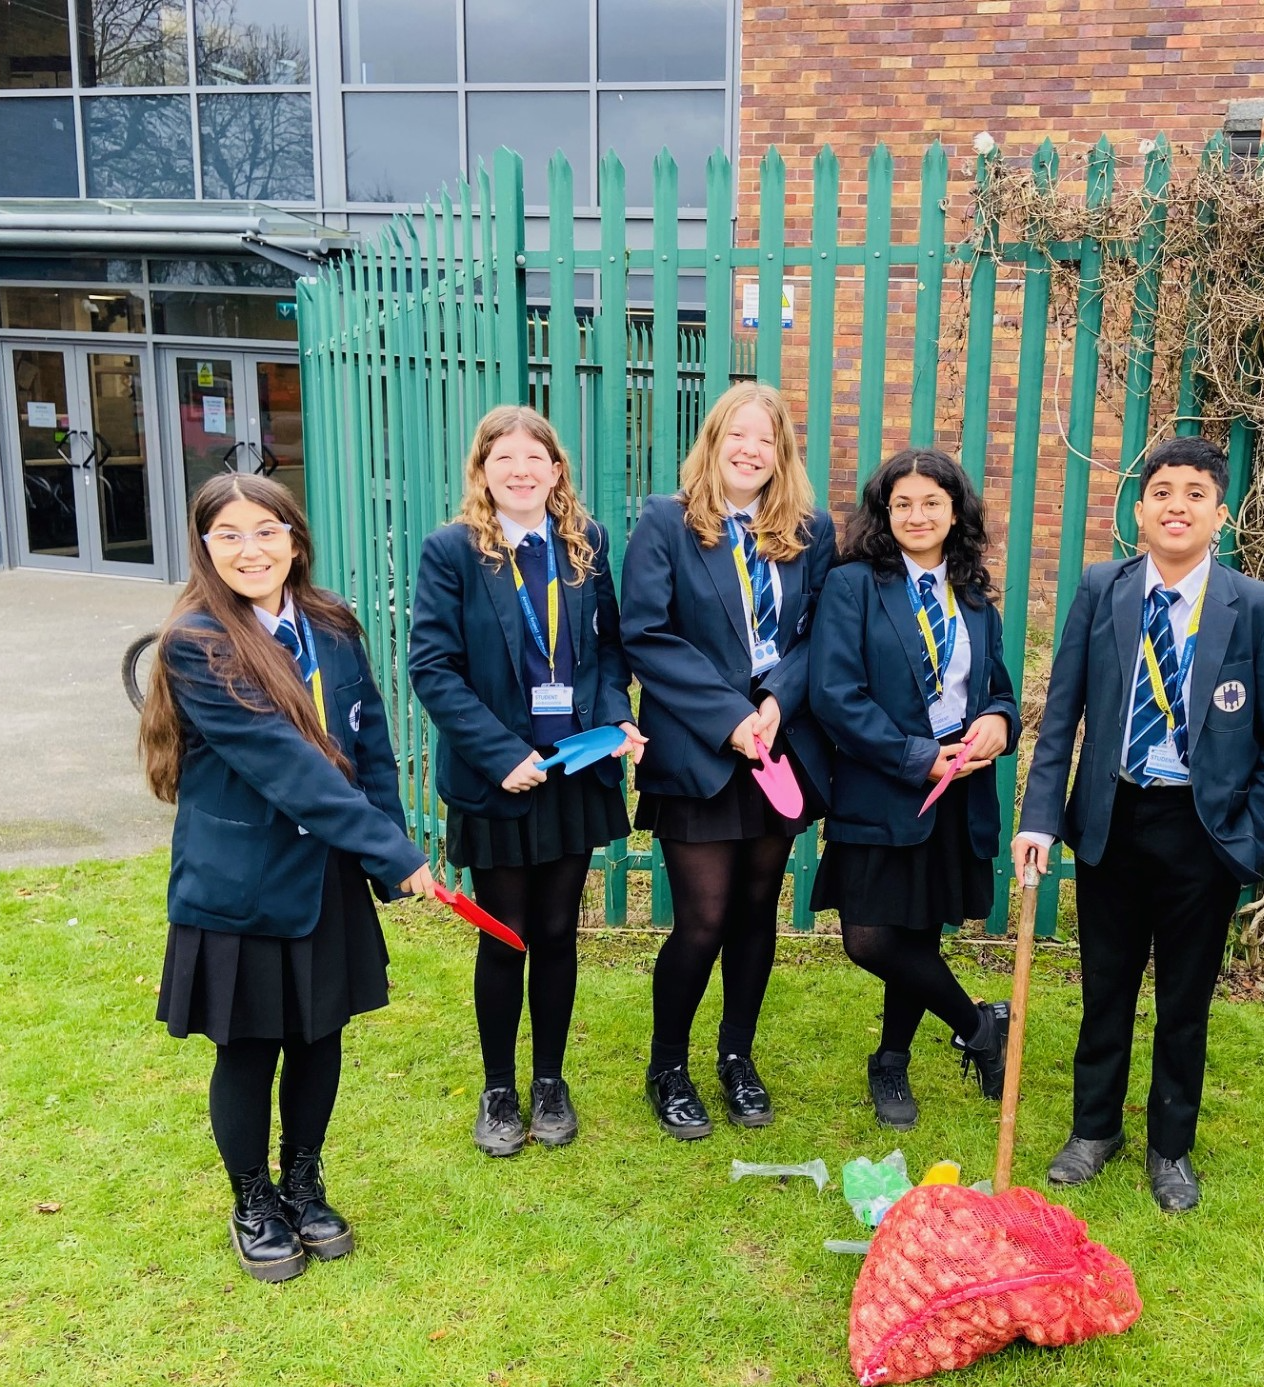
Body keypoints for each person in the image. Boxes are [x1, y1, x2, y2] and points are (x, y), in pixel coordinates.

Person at [141, 473, 434, 1284]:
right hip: (240, 882)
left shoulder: (332, 624)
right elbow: (288, 769)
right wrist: (395, 854)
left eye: (266, 531)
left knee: (319, 1035)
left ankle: (303, 1185)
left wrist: (386, 852)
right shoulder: (197, 643)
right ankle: (252, 1202)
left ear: (294, 539)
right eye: (228, 535)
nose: (250, 550)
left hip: (325, 875)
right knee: (248, 1048)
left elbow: (368, 745)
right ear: (205, 549)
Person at [1014, 435, 1264, 1204]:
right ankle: (1094, 1127)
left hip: (1201, 834)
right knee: (1104, 988)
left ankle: (1171, 1146)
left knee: (1184, 1000)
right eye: (1163, 492)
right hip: (1113, 820)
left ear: (1222, 514)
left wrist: (1246, 843)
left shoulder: (1262, 611)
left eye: (1196, 495)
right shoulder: (1102, 588)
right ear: (1137, 509)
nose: (1177, 506)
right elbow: (1062, 718)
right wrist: (1041, 818)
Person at [408, 405, 643, 1158]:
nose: (520, 470)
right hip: (498, 780)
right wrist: (498, 753)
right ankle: (499, 1088)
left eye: (534, 458)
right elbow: (433, 668)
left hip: (573, 774)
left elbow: (609, 651)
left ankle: (549, 1082)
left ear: (556, 469)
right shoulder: (453, 552)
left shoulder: (585, 544)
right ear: (482, 471)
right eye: (503, 458)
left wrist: (612, 723)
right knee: (506, 937)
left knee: (557, 932)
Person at [620, 381, 836, 1138]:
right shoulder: (666, 524)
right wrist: (730, 718)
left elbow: (817, 634)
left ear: (783, 454)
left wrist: (776, 701)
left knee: (754, 914)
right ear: (713, 443)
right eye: (737, 436)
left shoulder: (809, 529)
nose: (751, 450)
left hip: (778, 743)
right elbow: (647, 635)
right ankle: (668, 1067)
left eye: (766, 439)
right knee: (703, 920)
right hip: (699, 747)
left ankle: (737, 1057)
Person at [809, 448, 1021, 1129]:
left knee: (918, 936)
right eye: (903, 503)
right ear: (884, 512)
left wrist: (997, 721)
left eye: (932, 502)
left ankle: (891, 1063)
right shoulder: (853, 586)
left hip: (955, 797)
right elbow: (835, 695)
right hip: (882, 788)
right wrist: (915, 757)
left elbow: (998, 691)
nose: (917, 515)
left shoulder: (975, 594)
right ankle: (980, 1026)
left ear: (954, 511)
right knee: (869, 939)